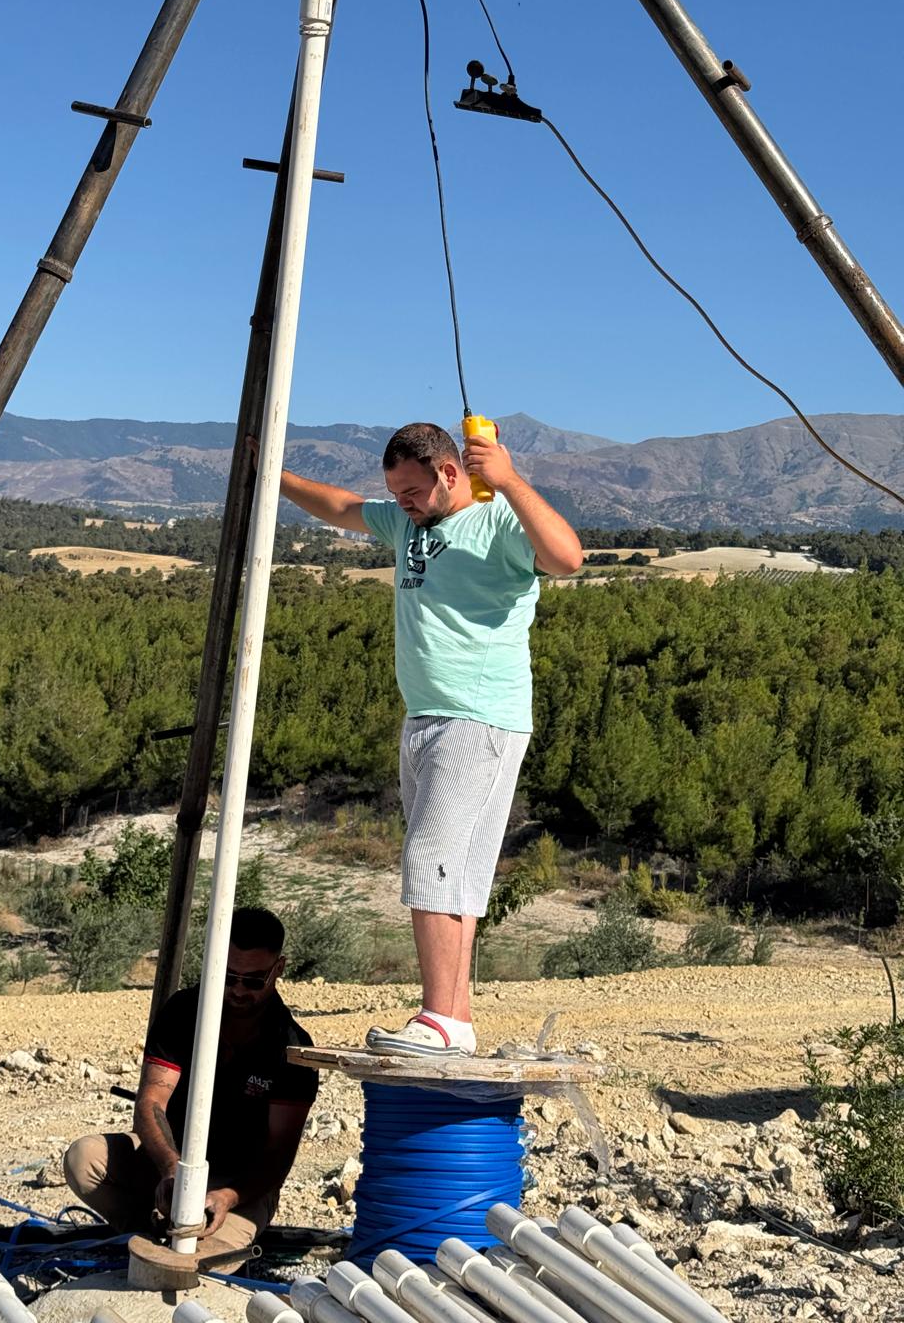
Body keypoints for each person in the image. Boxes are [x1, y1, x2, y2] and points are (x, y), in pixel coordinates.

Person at [277, 422, 582, 1056]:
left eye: (413, 490)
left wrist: (507, 479)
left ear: (449, 473)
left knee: (433, 860)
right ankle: (455, 1018)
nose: (404, 503)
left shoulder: (498, 520)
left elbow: (567, 558)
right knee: (456, 873)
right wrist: (269, 478)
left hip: (478, 718)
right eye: (396, 492)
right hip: (425, 718)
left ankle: (441, 1020)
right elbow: (341, 507)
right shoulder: (407, 525)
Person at [63, 907, 317, 1268]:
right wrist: (171, 1168)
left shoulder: (292, 1047)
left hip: (241, 1187)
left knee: (206, 1265)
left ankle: (176, 1247)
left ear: (279, 969)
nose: (238, 990)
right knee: (83, 1158)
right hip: (171, 1162)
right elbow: (151, 1100)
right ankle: (146, 1234)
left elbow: (279, 1154)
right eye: (228, 976)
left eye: (254, 981)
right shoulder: (182, 1013)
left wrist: (227, 1196)